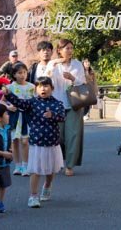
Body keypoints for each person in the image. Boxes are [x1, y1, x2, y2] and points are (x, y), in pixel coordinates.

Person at [2, 76, 66, 209]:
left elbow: (62, 117)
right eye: (40, 86)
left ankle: (47, 185)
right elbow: (19, 103)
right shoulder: (32, 102)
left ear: (52, 88)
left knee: (51, 169)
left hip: (52, 142)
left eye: (46, 86)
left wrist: (52, 115)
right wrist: (8, 94)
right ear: (35, 89)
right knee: (35, 170)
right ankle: (33, 196)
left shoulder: (58, 103)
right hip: (37, 142)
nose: (43, 89)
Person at [46, 38, 86, 176]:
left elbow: (83, 83)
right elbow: (46, 80)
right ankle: (57, 162)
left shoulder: (77, 64)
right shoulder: (53, 64)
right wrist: (54, 64)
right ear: (59, 50)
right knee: (58, 136)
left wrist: (73, 78)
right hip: (56, 104)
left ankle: (69, 165)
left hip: (74, 104)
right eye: (66, 48)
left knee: (73, 135)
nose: (69, 51)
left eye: (71, 48)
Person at [7, 62, 35, 176]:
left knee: (25, 141)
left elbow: (36, 101)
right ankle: (17, 165)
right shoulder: (10, 87)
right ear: (14, 74)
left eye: (24, 72)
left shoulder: (32, 87)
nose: (23, 75)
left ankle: (25, 165)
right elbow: (1, 101)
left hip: (27, 117)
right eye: (19, 73)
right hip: (14, 117)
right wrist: (8, 107)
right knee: (15, 141)